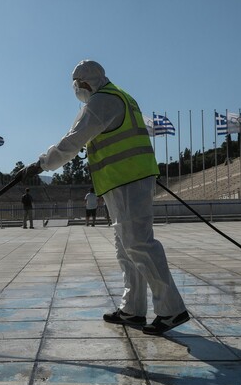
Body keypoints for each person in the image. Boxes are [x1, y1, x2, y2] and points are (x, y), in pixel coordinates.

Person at [21, 60, 188, 335]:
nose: (77, 91)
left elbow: (72, 142)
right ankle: (133, 309)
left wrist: (40, 165)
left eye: (77, 86)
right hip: (121, 180)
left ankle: (171, 309)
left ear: (85, 83)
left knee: (139, 243)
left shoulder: (102, 101)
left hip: (128, 179)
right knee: (126, 246)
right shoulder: (118, 96)